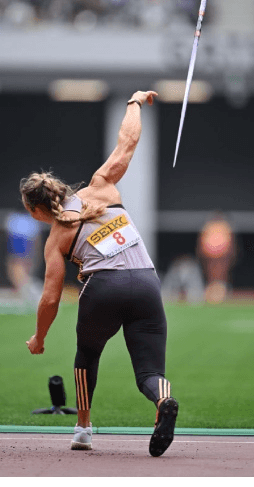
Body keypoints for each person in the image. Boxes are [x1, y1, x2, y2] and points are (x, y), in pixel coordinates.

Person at [21, 90, 178, 457]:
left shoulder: (57, 237)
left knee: (86, 355)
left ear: (36, 211)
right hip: (146, 282)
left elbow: (50, 298)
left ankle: (83, 428)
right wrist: (134, 102)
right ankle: (163, 400)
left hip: (102, 289)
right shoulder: (103, 185)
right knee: (149, 373)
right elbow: (128, 142)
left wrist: (39, 337)